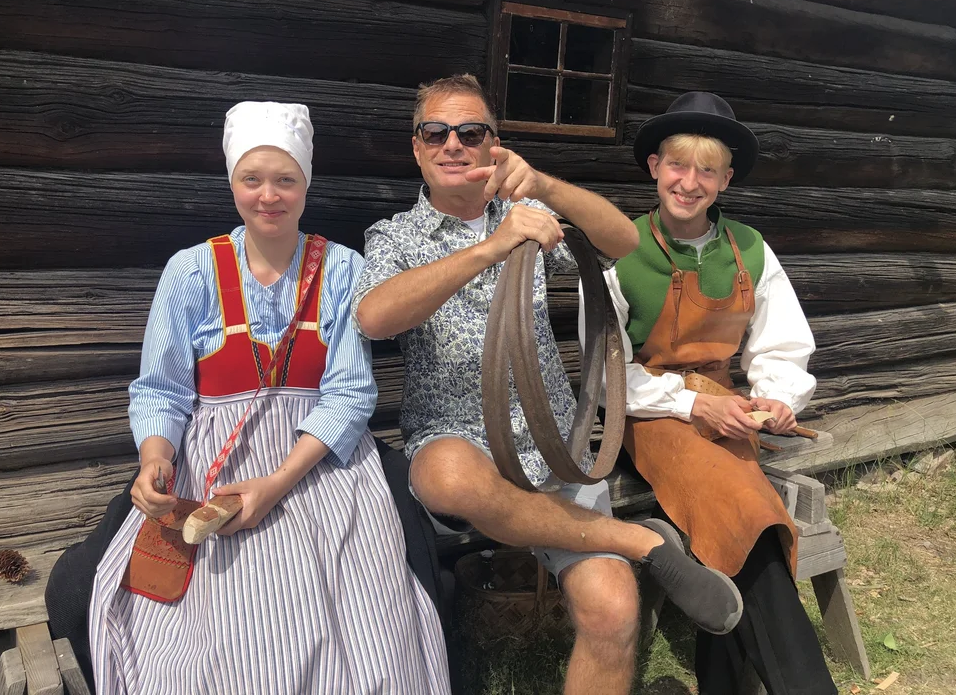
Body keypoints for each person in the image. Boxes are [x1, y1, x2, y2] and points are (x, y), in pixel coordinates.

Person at [352, 74, 744, 695]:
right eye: (436, 132)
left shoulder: (528, 215)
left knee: (613, 611)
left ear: (493, 145)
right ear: (417, 147)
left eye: (470, 132)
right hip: (459, 440)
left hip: (553, 443)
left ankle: (622, 549)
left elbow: (623, 241)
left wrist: (543, 186)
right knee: (443, 476)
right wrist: (491, 248)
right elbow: (374, 316)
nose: (453, 144)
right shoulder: (394, 236)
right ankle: (640, 541)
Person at [85, 101, 450, 694]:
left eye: (285, 179)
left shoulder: (344, 270)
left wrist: (277, 484)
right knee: (212, 628)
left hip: (318, 464)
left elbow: (350, 394)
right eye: (251, 179)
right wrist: (156, 457)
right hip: (214, 464)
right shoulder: (190, 272)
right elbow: (161, 389)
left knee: (362, 604)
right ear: (232, 182)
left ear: (307, 184)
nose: (268, 196)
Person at [579, 91, 836, 694]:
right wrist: (694, 404)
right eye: (677, 165)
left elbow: (781, 345)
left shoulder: (751, 248)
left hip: (729, 410)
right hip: (648, 413)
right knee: (748, 511)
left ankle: (722, 682)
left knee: (742, 516)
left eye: (706, 170)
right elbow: (607, 376)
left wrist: (776, 397)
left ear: (725, 180)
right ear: (654, 167)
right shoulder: (620, 250)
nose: (689, 183)